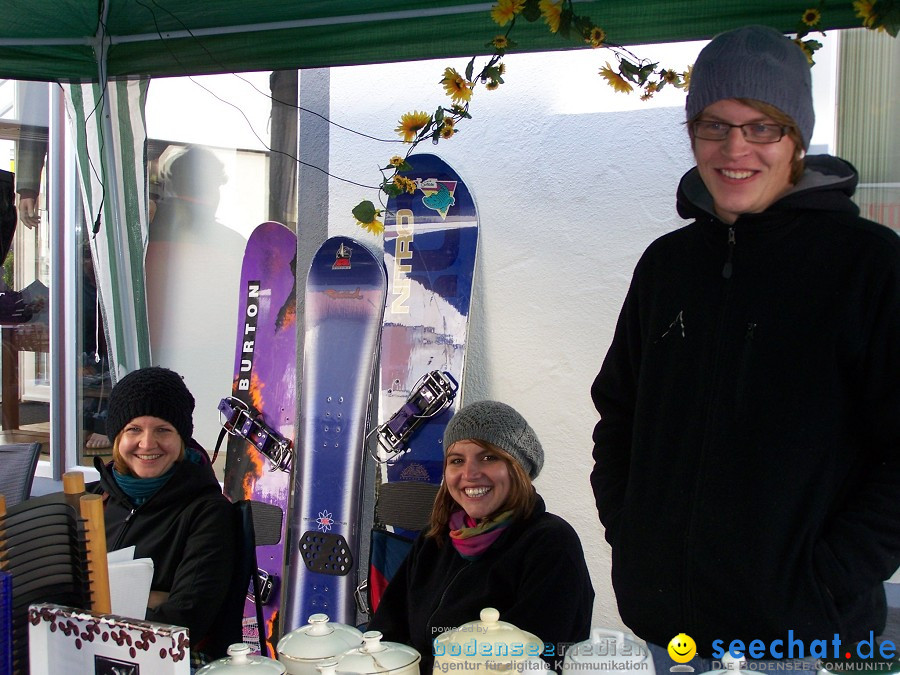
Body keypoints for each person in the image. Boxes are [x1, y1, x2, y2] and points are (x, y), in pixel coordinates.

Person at [590, 24, 900, 672]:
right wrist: (633, 532)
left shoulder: (868, 266)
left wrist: (822, 575)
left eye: (763, 126)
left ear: (797, 139)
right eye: (714, 125)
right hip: (671, 632)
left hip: (805, 640)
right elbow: (618, 414)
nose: (736, 147)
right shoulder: (666, 267)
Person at [370, 400, 594, 672]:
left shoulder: (550, 544)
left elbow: (525, 660)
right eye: (457, 461)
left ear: (518, 467)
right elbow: (386, 631)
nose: (469, 474)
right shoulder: (435, 539)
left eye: (488, 457)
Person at [89, 366, 238, 666]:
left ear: (181, 438)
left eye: (163, 430)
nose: (147, 443)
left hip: (165, 662)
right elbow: (54, 595)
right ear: (117, 437)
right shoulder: (90, 501)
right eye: (134, 429)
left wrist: (97, 603)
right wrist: (150, 597)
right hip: (80, 653)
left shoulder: (207, 512)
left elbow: (186, 619)